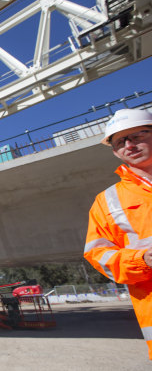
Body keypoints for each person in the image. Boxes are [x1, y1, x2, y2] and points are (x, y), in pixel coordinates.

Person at [84, 108, 152, 359]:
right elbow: (98, 255)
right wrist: (142, 260)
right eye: (120, 141)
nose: (129, 145)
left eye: (137, 135)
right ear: (114, 151)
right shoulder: (108, 201)